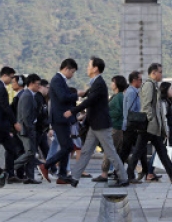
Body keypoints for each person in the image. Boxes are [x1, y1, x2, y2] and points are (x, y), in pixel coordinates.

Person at [65, 57, 128, 187]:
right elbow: (89, 96)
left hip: (101, 124)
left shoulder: (99, 83)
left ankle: (123, 178)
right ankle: (75, 177)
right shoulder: (95, 83)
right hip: (95, 124)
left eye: (89, 66)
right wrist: (81, 94)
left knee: (110, 152)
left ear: (95, 68)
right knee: (86, 151)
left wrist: (73, 110)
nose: (87, 68)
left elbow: (90, 101)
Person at [127, 63, 172, 184]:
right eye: (160, 72)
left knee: (161, 151)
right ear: (154, 73)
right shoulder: (149, 85)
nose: (161, 74)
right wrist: (151, 119)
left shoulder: (153, 85)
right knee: (138, 152)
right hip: (148, 125)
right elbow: (146, 105)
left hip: (152, 126)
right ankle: (129, 175)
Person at [38, 59, 81, 183]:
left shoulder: (61, 80)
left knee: (66, 147)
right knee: (67, 147)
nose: (72, 75)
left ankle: (62, 175)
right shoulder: (57, 80)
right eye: (72, 72)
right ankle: (46, 166)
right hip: (59, 119)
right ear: (67, 68)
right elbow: (63, 98)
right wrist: (77, 95)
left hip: (64, 119)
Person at [0, 66, 21, 185]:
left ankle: (10, 175)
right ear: (5, 75)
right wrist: (14, 122)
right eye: (11, 77)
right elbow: (5, 107)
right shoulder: (0, 88)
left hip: (1, 126)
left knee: (11, 149)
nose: (12, 80)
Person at [92, 75, 128, 183]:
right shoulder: (117, 96)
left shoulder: (119, 97)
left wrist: (105, 113)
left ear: (117, 84)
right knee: (116, 151)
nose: (111, 84)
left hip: (115, 127)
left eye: (113, 82)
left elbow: (117, 112)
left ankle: (104, 174)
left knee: (109, 151)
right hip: (115, 127)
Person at [120, 71, 149, 180]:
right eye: (140, 80)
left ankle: (146, 171)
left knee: (139, 149)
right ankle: (127, 173)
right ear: (134, 80)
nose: (141, 82)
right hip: (132, 126)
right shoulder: (132, 92)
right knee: (130, 150)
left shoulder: (134, 91)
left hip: (132, 125)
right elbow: (131, 111)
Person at [14, 74, 42, 184]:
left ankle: (30, 177)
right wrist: (30, 128)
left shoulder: (30, 95)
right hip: (26, 129)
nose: (39, 86)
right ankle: (10, 168)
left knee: (31, 152)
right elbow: (25, 116)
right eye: (37, 84)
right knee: (30, 152)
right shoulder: (27, 96)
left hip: (29, 128)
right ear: (31, 83)